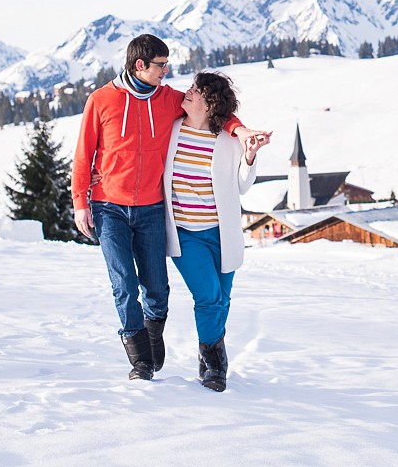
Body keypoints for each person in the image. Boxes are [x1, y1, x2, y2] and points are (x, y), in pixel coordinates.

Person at [72, 35, 270, 381]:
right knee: (126, 283)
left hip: (159, 211)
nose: (168, 72)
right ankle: (143, 361)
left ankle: (176, 338)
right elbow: (82, 153)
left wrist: (242, 134)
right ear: (140, 66)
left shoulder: (170, 101)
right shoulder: (102, 100)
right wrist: (80, 203)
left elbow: (218, 111)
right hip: (113, 207)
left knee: (168, 291)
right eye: (162, 65)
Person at [163, 71, 265, 392]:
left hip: (223, 234)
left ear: (210, 105)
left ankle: (207, 350)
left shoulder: (227, 140)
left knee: (222, 299)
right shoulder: (171, 132)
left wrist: (249, 155)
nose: (188, 92)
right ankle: (215, 362)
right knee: (207, 297)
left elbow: (242, 185)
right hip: (185, 234)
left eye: (197, 91)